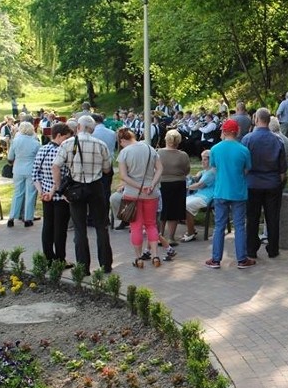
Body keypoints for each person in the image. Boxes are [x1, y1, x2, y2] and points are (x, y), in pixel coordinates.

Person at [51, 115, 113, 275]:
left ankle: (83, 267)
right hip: (95, 186)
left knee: (80, 229)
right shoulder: (100, 144)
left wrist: (59, 188)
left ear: (78, 127)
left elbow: (56, 166)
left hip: (76, 187)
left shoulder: (67, 143)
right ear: (92, 129)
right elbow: (107, 169)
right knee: (101, 226)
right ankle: (106, 264)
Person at [205, 118, 253, 269]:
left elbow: (214, 167)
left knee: (219, 226)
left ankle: (216, 259)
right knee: (239, 226)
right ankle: (242, 259)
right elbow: (247, 170)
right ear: (237, 131)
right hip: (238, 191)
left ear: (224, 132)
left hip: (220, 191)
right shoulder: (244, 150)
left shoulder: (215, 149)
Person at [242, 108, 287, 259]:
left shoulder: (247, 139)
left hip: (252, 184)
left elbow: (243, 166)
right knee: (273, 218)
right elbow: (282, 169)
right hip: (272, 183)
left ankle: (251, 249)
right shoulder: (277, 140)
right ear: (269, 121)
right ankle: (273, 249)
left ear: (256, 119)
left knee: (252, 218)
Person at [117, 127, 165, 267]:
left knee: (136, 226)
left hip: (132, 194)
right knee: (151, 224)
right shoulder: (150, 149)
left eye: (120, 143)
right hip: (151, 193)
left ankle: (138, 258)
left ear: (123, 139)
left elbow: (123, 176)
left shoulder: (124, 153)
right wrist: (152, 184)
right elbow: (160, 169)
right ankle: (155, 255)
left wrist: (139, 187)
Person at [33, 123, 74, 265]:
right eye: (66, 137)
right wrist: (53, 190)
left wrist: (41, 191)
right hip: (60, 195)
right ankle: (61, 259)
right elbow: (63, 175)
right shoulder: (62, 151)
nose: (68, 140)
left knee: (48, 227)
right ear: (58, 136)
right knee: (60, 229)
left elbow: (35, 174)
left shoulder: (42, 150)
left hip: (45, 195)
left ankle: (48, 258)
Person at [159, 129, 191, 246]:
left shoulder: (158, 153)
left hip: (162, 184)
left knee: (162, 211)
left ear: (166, 139)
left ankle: (160, 235)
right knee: (174, 211)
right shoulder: (183, 155)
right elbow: (187, 170)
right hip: (178, 184)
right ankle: (171, 237)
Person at [7, 122, 41, 227]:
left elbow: (10, 157)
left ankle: (12, 217)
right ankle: (28, 218)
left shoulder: (15, 141)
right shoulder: (35, 143)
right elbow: (39, 158)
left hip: (18, 169)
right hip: (31, 169)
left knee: (18, 193)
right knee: (30, 194)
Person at [182, 149, 216, 242]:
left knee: (184, 206)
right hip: (200, 195)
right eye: (202, 159)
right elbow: (199, 174)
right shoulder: (207, 170)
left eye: (205, 159)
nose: (202, 161)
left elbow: (199, 185)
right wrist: (197, 175)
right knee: (180, 203)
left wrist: (186, 187)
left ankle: (191, 233)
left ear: (211, 160)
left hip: (207, 198)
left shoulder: (211, 173)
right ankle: (191, 230)